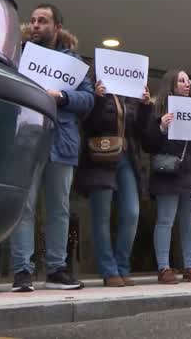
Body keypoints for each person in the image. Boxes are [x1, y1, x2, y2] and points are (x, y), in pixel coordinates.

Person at [10, 4, 94, 292]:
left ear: (57, 27)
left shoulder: (73, 63)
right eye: (32, 21)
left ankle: (56, 270)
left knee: (58, 209)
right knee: (24, 207)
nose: (35, 25)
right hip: (27, 139)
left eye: (42, 21)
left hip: (63, 141)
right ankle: (22, 271)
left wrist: (63, 96)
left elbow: (88, 100)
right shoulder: (17, 56)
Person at [142, 69, 191, 284]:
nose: (188, 83)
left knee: (189, 221)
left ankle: (190, 266)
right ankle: (164, 268)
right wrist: (161, 127)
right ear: (171, 84)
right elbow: (147, 144)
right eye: (182, 80)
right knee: (166, 220)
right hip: (169, 173)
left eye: (189, 80)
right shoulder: (157, 109)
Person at [75, 77, 151, 287]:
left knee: (131, 213)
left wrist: (145, 106)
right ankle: (109, 270)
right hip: (100, 157)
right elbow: (88, 124)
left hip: (126, 158)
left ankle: (122, 266)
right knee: (102, 218)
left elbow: (141, 131)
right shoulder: (94, 91)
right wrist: (98, 100)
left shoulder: (129, 96)